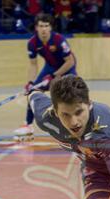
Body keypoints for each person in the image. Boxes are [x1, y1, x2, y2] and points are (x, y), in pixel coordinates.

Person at [14, 13, 77, 141]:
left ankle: (75, 126)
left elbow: (70, 61)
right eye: (41, 26)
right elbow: (33, 64)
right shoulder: (32, 43)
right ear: (36, 27)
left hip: (67, 68)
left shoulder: (59, 40)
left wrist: (54, 76)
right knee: (33, 92)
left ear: (51, 27)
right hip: (50, 68)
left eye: (46, 26)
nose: (43, 29)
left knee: (70, 96)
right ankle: (28, 125)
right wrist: (30, 82)